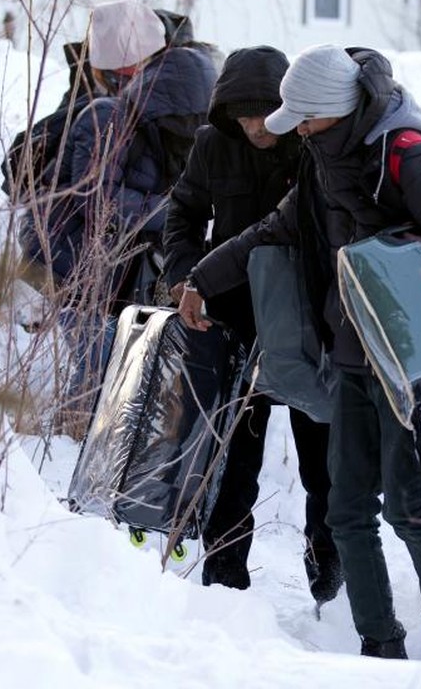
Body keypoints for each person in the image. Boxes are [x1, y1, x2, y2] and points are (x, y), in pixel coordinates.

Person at [177, 44, 421, 678]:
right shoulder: (320, 162)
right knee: (348, 508)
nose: (293, 128)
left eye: (303, 118)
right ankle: (379, 647)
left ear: (329, 112)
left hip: (413, 359)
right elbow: (272, 230)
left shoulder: (406, 157)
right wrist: (202, 279)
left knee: (407, 504)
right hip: (352, 354)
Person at [162, 46, 341, 601]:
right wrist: (184, 274)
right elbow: (183, 212)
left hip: (309, 327)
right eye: (240, 117)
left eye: (261, 114)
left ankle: (328, 583)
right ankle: (224, 586)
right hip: (234, 322)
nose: (253, 127)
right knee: (233, 466)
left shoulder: (311, 142)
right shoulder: (213, 146)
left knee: (324, 469)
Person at [28, 0, 217, 435]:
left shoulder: (112, 112)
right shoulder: (176, 98)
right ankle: (77, 460)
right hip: (96, 265)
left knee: (99, 375)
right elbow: (104, 203)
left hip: (90, 269)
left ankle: (73, 456)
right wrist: (178, 212)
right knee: (109, 375)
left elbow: (101, 204)